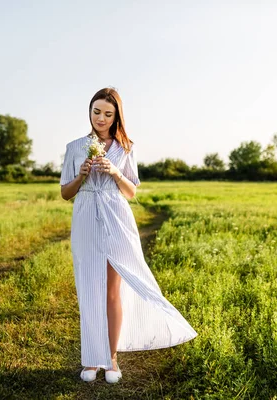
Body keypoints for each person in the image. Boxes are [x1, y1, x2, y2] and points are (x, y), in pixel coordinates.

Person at [60, 87, 197, 384]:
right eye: (97, 112)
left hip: (117, 217)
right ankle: (91, 360)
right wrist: (82, 175)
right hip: (85, 218)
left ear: (116, 116)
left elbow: (132, 191)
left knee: (112, 289)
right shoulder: (74, 147)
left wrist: (113, 171)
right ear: (90, 111)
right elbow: (64, 193)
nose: (101, 118)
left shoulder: (125, 148)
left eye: (108, 114)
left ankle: (110, 358)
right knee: (89, 288)